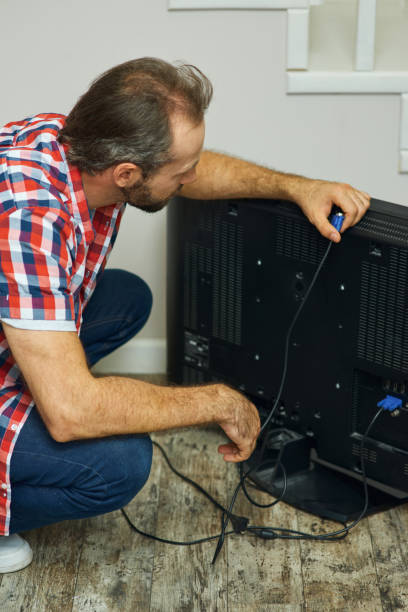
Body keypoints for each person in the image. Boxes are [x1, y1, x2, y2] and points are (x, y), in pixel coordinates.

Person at [0, 57, 370, 573]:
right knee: (120, 465)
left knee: (125, 299)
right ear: (127, 174)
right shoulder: (30, 222)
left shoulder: (66, 140)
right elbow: (72, 414)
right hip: (48, 349)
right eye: (181, 172)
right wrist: (215, 401)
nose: (193, 178)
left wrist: (296, 186)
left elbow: (191, 170)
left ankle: (36, 382)